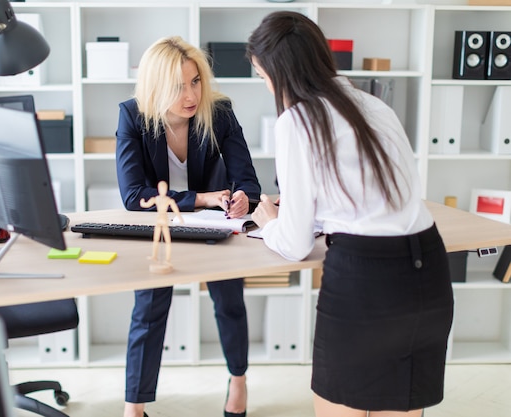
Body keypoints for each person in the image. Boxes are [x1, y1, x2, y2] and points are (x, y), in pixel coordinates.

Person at [247, 11, 454, 417]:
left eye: (262, 75)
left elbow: (293, 245)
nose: (266, 84)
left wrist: (270, 222)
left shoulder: (296, 121)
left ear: (280, 72)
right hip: (428, 271)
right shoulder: (374, 106)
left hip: (366, 283)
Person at [115, 35, 261, 417]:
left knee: (229, 301)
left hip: (216, 228)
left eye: (195, 81)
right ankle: (135, 406)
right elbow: (134, 196)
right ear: (156, 87)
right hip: (163, 226)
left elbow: (248, 180)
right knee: (148, 309)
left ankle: (239, 381)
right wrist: (202, 198)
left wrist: (243, 197)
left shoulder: (220, 112)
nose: (191, 94)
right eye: (178, 86)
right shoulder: (133, 116)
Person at [139, 180, 184, 272]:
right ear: (159, 189)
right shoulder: (157, 199)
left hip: (163, 219)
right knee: (156, 239)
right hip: (159, 219)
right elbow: (147, 204)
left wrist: (180, 218)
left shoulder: (168, 200)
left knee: (167, 241)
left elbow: (175, 209)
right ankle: (154, 256)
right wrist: (143, 203)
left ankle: (167, 259)